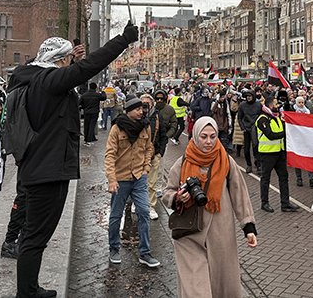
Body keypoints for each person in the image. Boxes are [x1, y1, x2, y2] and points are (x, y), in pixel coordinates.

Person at [11, 25, 137, 298]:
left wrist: (74, 63)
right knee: (35, 238)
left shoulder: (35, 80)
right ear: (58, 60)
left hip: (40, 166)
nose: (71, 65)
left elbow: (72, 81)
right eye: (67, 61)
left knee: (35, 236)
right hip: (48, 170)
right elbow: (88, 68)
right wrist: (123, 40)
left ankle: (30, 289)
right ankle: (27, 293)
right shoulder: (46, 81)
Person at [163, 116, 258, 298]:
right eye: (204, 136)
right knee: (195, 289)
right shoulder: (183, 161)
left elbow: (240, 194)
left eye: (212, 136)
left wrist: (249, 227)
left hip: (220, 232)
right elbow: (167, 192)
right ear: (195, 136)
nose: (208, 141)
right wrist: (177, 197)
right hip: (189, 233)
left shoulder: (226, 161)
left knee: (223, 285)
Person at [105, 96, 160, 269]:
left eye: (142, 109)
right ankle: (114, 248)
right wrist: (112, 180)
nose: (141, 111)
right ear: (128, 111)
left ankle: (145, 253)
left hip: (138, 178)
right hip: (120, 179)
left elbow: (148, 148)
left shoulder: (145, 127)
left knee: (144, 212)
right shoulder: (116, 128)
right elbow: (110, 155)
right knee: (115, 215)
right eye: (137, 109)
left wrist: (145, 169)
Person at [255, 95, 299, 213]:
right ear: (269, 105)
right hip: (267, 154)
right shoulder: (262, 119)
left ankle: (285, 203)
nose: (278, 106)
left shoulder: (277, 118)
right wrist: (285, 133)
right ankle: (264, 203)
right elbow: (270, 135)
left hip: (279, 153)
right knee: (265, 179)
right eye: (275, 104)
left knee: (284, 177)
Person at [143, 92, 168, 220]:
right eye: (143, 103)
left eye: (148, 103)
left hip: (154, 153)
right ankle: (138, 204)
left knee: (152, 182)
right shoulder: (136, 116)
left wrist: (160, 153)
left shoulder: (158, 117)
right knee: (138, 181)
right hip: (139, 155)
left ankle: (151, 206)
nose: (145, 105)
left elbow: (163, 135)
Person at [237, 91, 262, 174]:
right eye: (247, 96)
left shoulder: (258, 105)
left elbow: (261, 115)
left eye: (250, 96)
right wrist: (242, 127)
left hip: (255, 128)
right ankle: (249, 165)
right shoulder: (242, 105)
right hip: (246, 129)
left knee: (256, 147)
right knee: (246, 149)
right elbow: (239, 117)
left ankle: (258, 165)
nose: (248, 97)